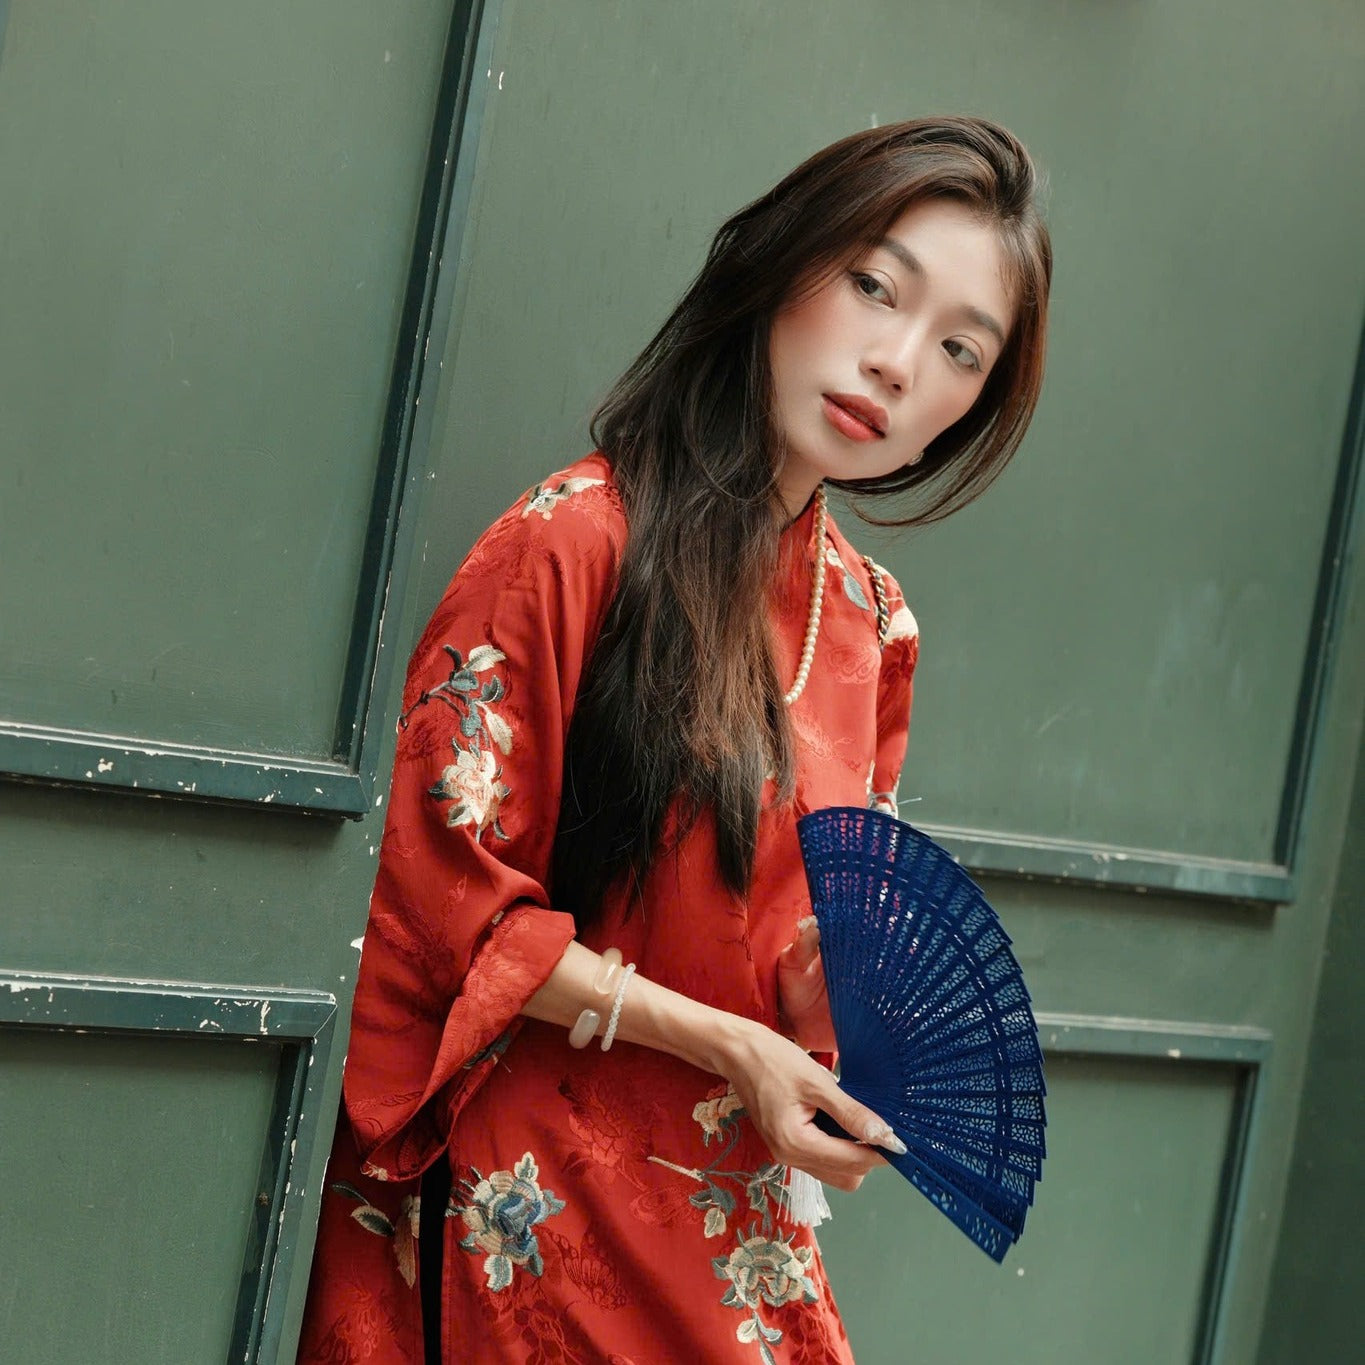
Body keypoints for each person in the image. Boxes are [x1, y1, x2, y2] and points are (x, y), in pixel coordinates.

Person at [299, 115, 1051, 1364]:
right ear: (784, 265)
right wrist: (727, 1041)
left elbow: (797, 951)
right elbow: (437, 913)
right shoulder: (574, 541)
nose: (897, 362)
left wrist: (827, 1021)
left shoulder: (873, 626)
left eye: (960, 350)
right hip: (534, 1211)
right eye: (875, 286)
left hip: (732, 1220)